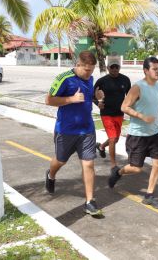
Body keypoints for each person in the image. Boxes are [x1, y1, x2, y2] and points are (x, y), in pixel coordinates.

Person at [45, 51, 103, 216]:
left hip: (87, 129)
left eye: (92, 70)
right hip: (66, 130)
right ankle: (51, 175)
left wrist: (98, 99)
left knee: (89, 164)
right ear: (77, 65)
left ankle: (90, 201)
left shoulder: (90, 78)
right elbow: (48, 100)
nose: (89, 74)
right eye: (86, 70)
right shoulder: (63, 78)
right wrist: (70, 99)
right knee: (60, 161)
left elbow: (87, 97)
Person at [108, 57, 158, 209]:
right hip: (138, 135)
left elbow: (152, 101)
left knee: (157, 164)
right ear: (146, 71)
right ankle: (119, 172)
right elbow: (124, 107)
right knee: (136, 168)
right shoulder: (137, 87)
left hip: (155, 133)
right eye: (155, 69)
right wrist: (142, 117)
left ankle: (149, 195)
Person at [93, 56, 131, 174]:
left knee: (115, 139)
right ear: (108, 67)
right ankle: (113, 165)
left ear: (119, 67)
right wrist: (97, 104)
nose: (115, 69)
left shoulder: (125, 80)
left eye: (117, 67)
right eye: (112, 67)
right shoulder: (102, 81)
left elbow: (130, 96)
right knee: (113, 138)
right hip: (106, 114)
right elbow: (93, 95)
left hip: (119, 114)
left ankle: (101, 147)